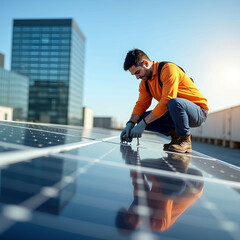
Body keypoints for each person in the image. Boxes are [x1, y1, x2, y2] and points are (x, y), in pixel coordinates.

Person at [120, 49, 209, 153]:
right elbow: (141, 105)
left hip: (198, 112)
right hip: (175, 111)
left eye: (138, 72)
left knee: (174, 103)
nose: (137, 77)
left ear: (146, 63)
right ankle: (176, 136)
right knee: (140, 118)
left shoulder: (168, 69)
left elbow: (167, 100)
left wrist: (143, 124)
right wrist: (130, 124)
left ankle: (184, 139)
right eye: (134, 74)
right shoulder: (145, 83)